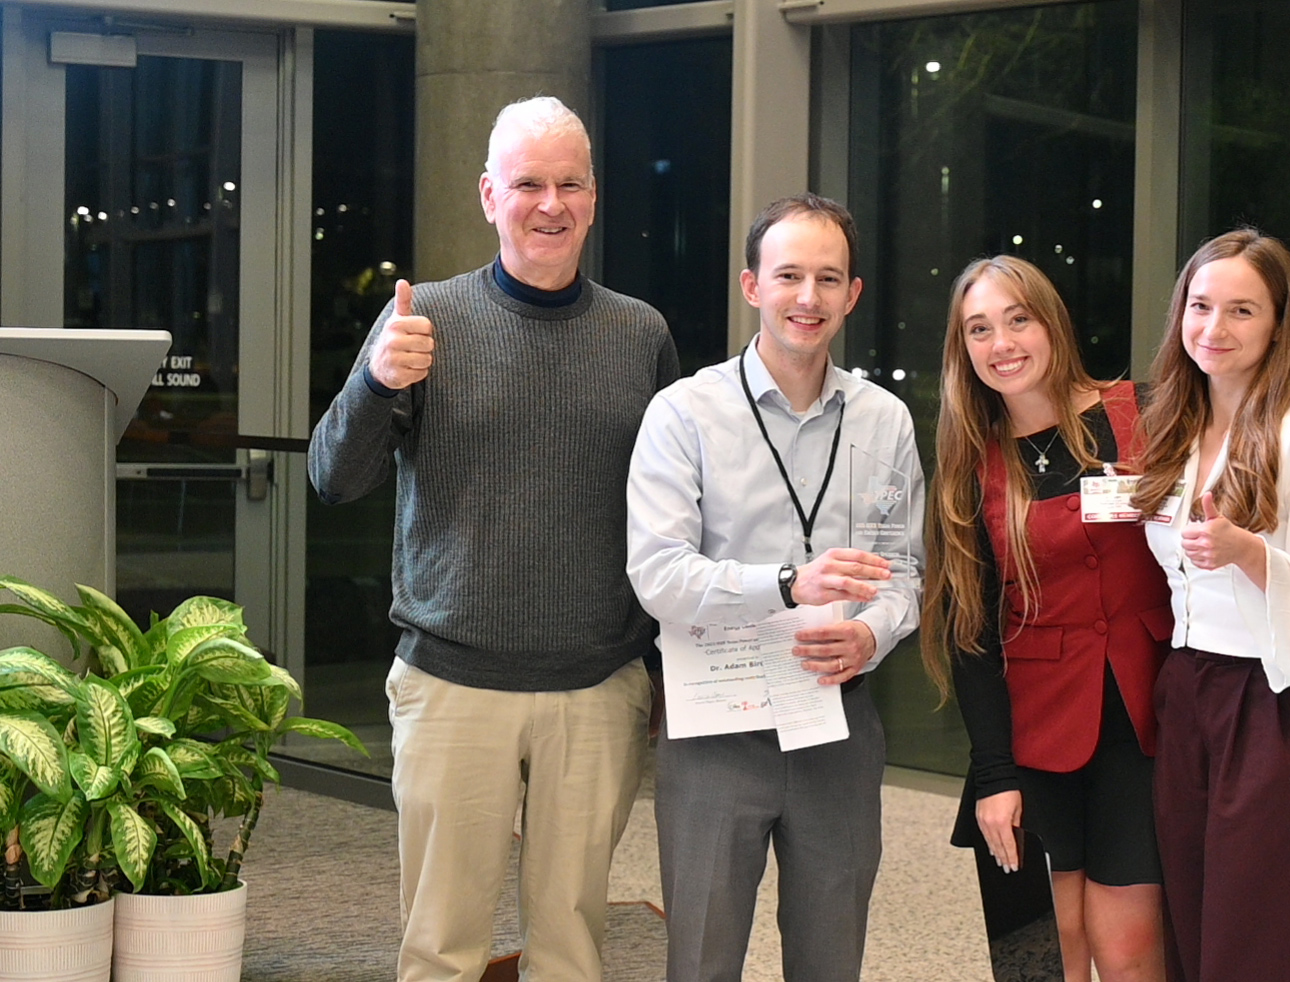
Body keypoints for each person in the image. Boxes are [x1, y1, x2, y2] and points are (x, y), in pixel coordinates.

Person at [308, 96, 679, 982]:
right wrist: (373, 381)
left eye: (568, 184)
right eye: (526, 184)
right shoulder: (420, 322)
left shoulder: (642, 334)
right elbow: (333, 476)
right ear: (487, 195)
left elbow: (672, 514)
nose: (548, 204)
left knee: (571, 944)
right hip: (452, 685)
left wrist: (667, 670)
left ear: (593, 199)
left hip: (597, 687)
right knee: (440, 945)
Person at [625, 193, 924, 982]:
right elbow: (656, 574)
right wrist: (789, 584)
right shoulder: (682, 414)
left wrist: (873, 632)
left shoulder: (885, 420)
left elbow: (907, 571)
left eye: (828, 279)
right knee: (703, 961)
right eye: (788, 274)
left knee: (831, 960)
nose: (807, 297)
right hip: (715, 728)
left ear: (852, 295)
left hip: (837, 722)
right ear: (751, 285)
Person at [920, 256, 1171, 982]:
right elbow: (966, 634)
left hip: (1144, 729)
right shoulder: (970, 468)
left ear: (1050, 321)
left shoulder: (1142, 413)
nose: (1001, 342)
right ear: (961, 350)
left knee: (1125, 947)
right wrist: (993, 775)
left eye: (1016, 318)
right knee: (1045, 951)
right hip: (1035, 739)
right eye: (979, 329)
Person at [1131, 228, 1290, 982]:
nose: (1214, 329)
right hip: (1188, 690)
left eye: (1240, 311)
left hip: (1275, 700)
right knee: (1195, 908)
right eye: (1201, 306)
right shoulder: (1169, 434)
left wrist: (1250, 553)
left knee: (1267, 922)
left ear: (1275, 325)